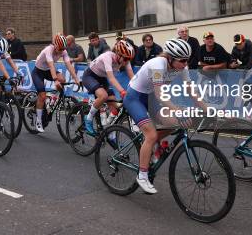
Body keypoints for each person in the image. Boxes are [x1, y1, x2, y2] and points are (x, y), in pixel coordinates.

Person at [124, 38, 205, 194]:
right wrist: (178, 111)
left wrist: (208, 109)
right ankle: (142, 175)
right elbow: (160, 94)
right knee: (151, 134)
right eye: (182, 60)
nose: (185, 64)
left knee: (174, 122)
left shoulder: (182, 67)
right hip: (135, 97)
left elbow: (191, 91)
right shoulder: (157, 65)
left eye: (187, 60)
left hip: (151, 98)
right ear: (170, 58)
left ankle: (152, 147)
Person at [83, 40, 135, 135]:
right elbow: (111, 78)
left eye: (129, 59)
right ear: (118, 54)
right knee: (103, 96)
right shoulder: (108, 56)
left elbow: (133, 77)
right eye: (126, 59)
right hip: (90, 76)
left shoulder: (125, 60)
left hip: (102, 79)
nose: (127, 61)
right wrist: (122, 91)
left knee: (115, 106)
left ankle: (110, 133)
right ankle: (88, 118)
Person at [32, 34, 81, 133]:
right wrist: (55, 80)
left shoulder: (63, 51)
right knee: (42, 96)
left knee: (62, 79)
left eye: (63, 48)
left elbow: (69, 66)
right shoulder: (48, 50)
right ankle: (38, 121)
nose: (61, 50)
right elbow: (51, 66)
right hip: (38, 72)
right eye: (60, 48)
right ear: (55, 45)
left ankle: (54, 98)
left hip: (47, 72)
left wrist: (76, 78)